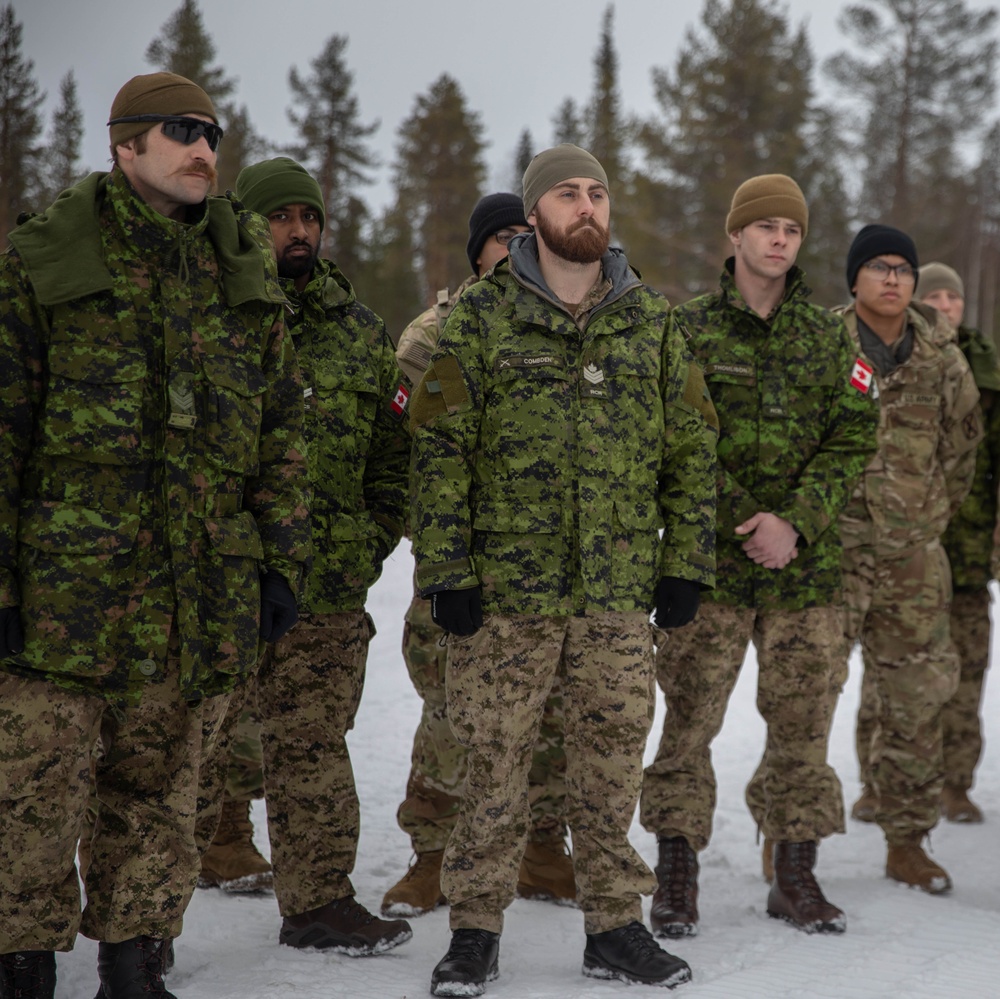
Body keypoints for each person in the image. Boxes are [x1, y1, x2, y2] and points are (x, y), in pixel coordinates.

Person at [0, 72, 310, 999]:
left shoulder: (239, 265)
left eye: (213, 132)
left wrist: (278, 563)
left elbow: (283, 426)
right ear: (125, 144)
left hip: (195, 594)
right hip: (64, 601)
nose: (203, 148)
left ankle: (134, 967)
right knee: (30, 798)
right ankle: (21, 969)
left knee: (162, 794)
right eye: (180, 132)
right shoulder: (48, 259)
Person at [409, 143, 718, 995]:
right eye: (567, 194)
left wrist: (685, 561)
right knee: (493, 762)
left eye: (597, 193)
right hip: (508, 596)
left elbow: (692, 451)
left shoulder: (652, 321)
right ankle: (474, 929)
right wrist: (448, 569)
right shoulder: (478, 318)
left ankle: (614, 925)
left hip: (616, 596)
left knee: (612, 761)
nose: (586, 206)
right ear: (535, 212)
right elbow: (440, 454)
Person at [639, 175, 879, 940]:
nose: (780, 240)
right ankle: (676, 872)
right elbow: (674, 437)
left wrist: (796, 523)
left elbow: (853, 435)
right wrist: (752, 520)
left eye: (793, 230)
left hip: (804, 573)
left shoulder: (828, 336)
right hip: (709, 569)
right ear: (734, 236)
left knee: (805, 725)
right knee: (689, 723)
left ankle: (795, 871)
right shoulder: (688, 329)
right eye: (765, 226)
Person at [229, 156, 414, 954]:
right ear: (248, 226)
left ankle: (316, 901)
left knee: (311, 745)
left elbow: (391, 456)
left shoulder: (359, 331)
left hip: (325, 587)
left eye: (309, 218)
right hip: (217, 577)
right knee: (171, 749)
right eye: (280, 218)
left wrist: (366, 543)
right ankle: (140, 923)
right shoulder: (218, 311)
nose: (298, 231)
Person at [382, 193, 576, 918]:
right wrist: (442, 559)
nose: (517, 247)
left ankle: (541, 848)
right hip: (464, 565)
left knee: (552, 711)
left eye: (529, 235)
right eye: (503, 237)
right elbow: (410, 459)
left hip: (552, 568)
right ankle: (433, 853)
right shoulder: (432, 335)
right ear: (478, 252)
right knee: (452, 711)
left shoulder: (570, 327)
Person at [837, 226, 982, 893]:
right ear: (855, 277)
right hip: (832, 552)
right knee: (803, 701)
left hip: (913, 558)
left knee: (916, 699)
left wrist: (926, 520)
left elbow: (961, 451)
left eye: (904, 268)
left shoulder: (942, 358)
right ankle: (791, 844)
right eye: (878, 267)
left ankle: (907, 839)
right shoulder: (822, 345)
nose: (893, 278)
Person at [851, 260, 1000, 826]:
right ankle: (874, 781)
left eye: (952, 296)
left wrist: (951, 516)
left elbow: (976, 459)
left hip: (956, 549)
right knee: (882, 676)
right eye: (933, 293)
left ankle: (953, 784)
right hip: (884, 546)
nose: (944, 303)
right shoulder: (878, 352)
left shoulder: (980, 370)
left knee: (957, 675)